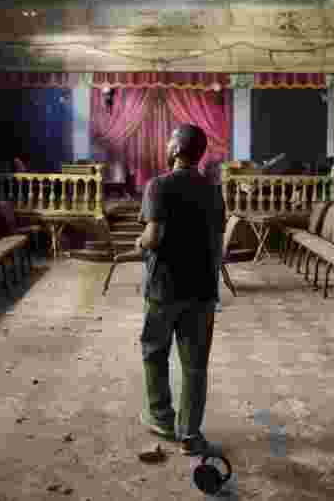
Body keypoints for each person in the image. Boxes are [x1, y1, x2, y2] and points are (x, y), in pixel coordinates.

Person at [135, 124, 225, 456]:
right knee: (195, 365)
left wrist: (139, 241)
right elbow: (218, 244)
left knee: (155, 352)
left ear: (175, 149)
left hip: (163, 289)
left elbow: (153, 236)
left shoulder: (158, 185)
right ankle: (190, 434)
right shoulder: (214, 191)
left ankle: (161, 418)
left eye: (169, 140)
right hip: (202, 290)